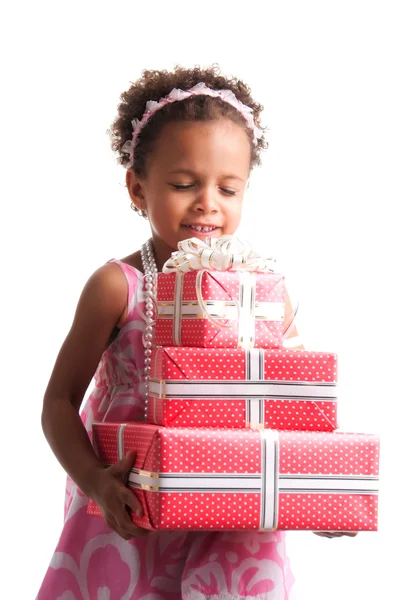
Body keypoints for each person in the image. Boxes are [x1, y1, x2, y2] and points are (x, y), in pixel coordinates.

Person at [37, 65, 352, 600]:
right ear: (138, 188)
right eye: (184, 184)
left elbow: (295, 402)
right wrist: (97, 483)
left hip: (234, 505)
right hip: (133, 506)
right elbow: (58, 402)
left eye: (229, 188)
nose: (208, 202)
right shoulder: (119, 286)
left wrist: (318, 487)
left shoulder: (264, 291)